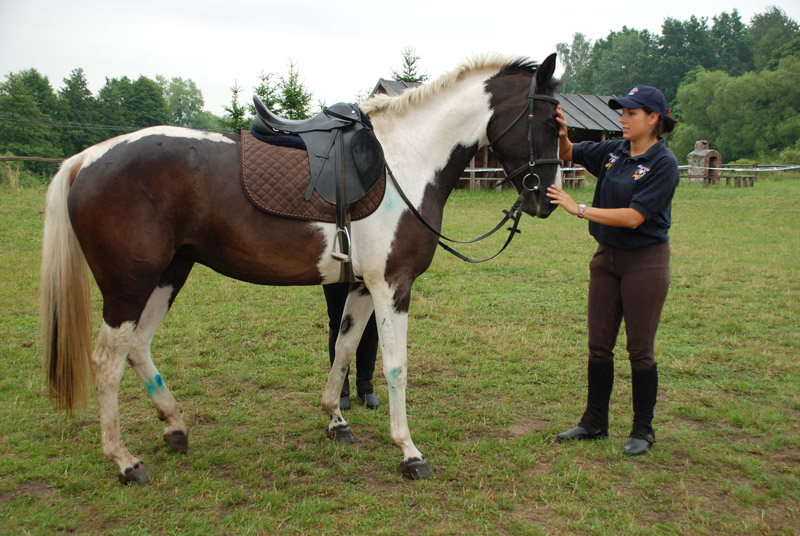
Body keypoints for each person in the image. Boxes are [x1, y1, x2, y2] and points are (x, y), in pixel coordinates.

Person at [546, 85, 678, 456]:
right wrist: (562, 135)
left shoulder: (662, 164)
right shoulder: (614, 152)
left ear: (653, 118)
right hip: (607, 258)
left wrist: (580, 208)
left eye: (630, 113)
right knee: (598, 344)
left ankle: (642, 429)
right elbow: (570, 154)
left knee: (640, 348)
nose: (622, 118)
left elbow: (635, 217)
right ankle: (594, 422)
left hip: (645, 261)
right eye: (621, 112)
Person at [323, 283, 380, 410]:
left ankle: (365, 385)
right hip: (335, 267)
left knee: (370, 322)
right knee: (337, 321)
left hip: (367, 266)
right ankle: (340, 388)